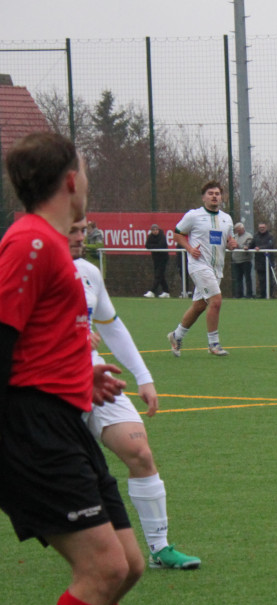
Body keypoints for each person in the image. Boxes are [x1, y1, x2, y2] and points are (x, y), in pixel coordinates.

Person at [0, 131, 137, 605]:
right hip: (31, 431)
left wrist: (80, 376)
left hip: (64, 419)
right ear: (71, 181)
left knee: (129, 566)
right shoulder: (29, 242)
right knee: (103, 570)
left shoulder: (53, 246)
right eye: (85, 167)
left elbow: (31, 340)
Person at [71, 220, 201, 569]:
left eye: (82, 229)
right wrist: (67, 337)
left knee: (139, 451)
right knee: (71, 475)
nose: (80, 237)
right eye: (71, 229)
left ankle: (159, 548)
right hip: (49, 385)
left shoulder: (87, 271)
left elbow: (110, 324)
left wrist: (143, 376)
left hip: (96, 376)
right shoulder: (25, 269)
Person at [166, 181, 233, 356]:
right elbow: (177, 233)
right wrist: (189, 248)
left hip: (216, 268)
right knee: (216, 301)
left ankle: (176, 335)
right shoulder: (194, 216)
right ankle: (213, 344)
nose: (214, 196)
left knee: (200, 306)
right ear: (204, 197)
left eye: (217, 193)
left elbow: (228, 240)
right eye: (210, 193)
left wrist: (232, 243)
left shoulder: (227, 218)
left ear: (221, 197)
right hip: (199, 265)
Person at [143, 224, 171, 298]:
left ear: (158, 230)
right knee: (160, 275)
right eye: (153, 230)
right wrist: (155, 246)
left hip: (163, 258)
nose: (155, 231)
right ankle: (166, 291)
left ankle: (152, 291)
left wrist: (153, 246)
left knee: (158, 275)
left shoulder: (162, 236)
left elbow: (161, 245)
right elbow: (147, 245)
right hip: (155, 259)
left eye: (156, 229)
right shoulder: (150, 237)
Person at [229, 222, 254, 299]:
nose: (238, 231)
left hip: (245, 261)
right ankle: (239, 294)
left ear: (243, 229)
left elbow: (248, 246)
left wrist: (238, 246)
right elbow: (231, 245)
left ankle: (249, 294)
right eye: (236, 230)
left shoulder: (248, 236)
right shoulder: (234, 237)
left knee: (247, 278)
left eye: (239, 230)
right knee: (238, 279)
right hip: (236, 261)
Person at [251, 221, 274, 299]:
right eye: (260, 228)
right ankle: (262, 295)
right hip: (259, 262)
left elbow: (270, 245)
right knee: (261, 280)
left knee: (269, 280)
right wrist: (247, 247)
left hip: (268, 261)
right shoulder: (256, 236)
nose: (262, 229)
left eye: (263, 227)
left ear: (266, 227)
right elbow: (252, 244)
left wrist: (260, 248)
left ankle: (270, 295)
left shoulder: (270, 236)